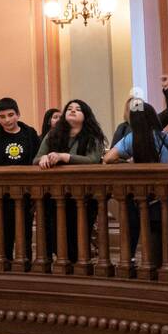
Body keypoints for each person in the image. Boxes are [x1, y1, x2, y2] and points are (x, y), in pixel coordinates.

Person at [103, 103, 168, 270]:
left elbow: (109, 158)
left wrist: (128, 163)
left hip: (149, 204)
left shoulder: (133, 139)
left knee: (153, 255)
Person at [35, 99, 106, 263]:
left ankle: (78, 268)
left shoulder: (92, 137)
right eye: (69, 109)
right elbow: (36, 159)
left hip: (83, 196)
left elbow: (93, 160)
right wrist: (44, 157)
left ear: (85, 115)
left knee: (78, 235)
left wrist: (65, 157)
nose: (73, 111)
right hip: (56, 194)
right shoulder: (53, 135)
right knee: (56, 234)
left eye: (78, 109)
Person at [0, 97, 41, 266]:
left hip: (26, 193)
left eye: (11, 115)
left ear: (18, 114)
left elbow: (36, 161)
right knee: (3, 232)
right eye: (2, 117)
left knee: (25, 232)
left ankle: (25, 264)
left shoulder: (30, 134)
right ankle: (4, 264)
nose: (7, 120)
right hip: (1, 195)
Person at [110, 75, 168, 144]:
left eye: (139, 106)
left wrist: (166, 89)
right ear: (127, 111)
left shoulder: (152, 123)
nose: (136, 111)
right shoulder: (123, 128)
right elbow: (113, 149)